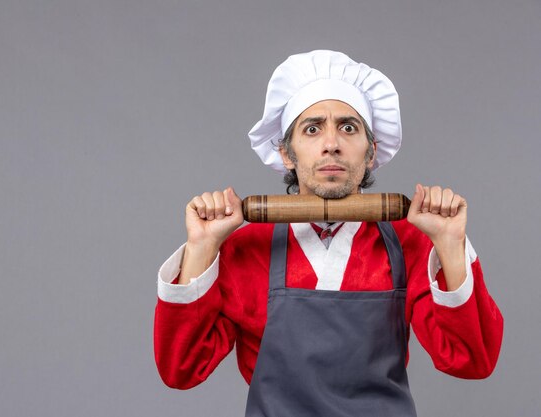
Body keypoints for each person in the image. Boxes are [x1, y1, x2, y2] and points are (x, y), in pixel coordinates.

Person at [154, 50, 503, 417]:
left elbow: (472, 362)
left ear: (371, 152)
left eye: (349, 128)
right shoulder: (245, 249)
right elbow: (180, 370)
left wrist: (448, 244)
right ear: (287, 153)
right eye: (312, 128)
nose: (331, 142)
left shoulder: (410, 242)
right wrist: (202, 247)